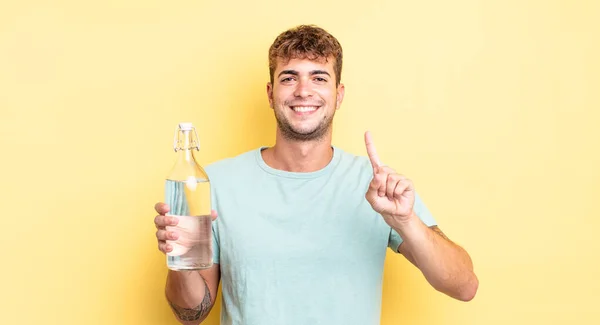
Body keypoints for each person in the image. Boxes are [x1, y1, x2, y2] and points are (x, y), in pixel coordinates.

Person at [153, 24, 479, 325]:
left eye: (319, 77)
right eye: (289, 77)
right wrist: (179, 258)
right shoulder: (216, 183)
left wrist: (407, 221)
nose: (303, 91)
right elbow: (192, 314)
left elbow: (464, 286)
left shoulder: (378, 187)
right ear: (270, 93)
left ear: (339, 95)